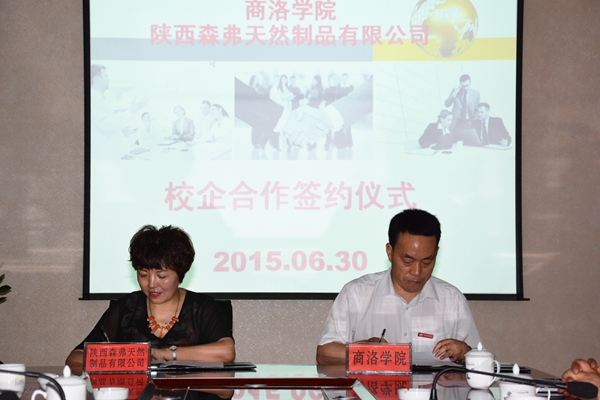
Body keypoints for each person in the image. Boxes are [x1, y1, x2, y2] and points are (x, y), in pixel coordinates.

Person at [316, 209, 481, 365]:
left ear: (436, 254)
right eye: (408, 261)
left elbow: (480, 357)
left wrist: (466, 353)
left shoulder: (452, 299)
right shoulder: (356, 294)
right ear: (390, 252)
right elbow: (324, 354)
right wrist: (364, 350)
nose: (417, 272)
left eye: (427, 262)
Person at [65, 225, 235, 375]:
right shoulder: (126, 307)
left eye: (162, 276)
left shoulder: (201, 307)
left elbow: (226, 352)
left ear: (181, 273)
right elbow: (74, 359)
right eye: (143, 275)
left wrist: (165, 354)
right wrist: (125, 358)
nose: (151, 284)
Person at [90, 64, 148, 159]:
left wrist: (120, 130)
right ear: (96, 79)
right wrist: (131, 110)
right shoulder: (93, 99)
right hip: (105, 156)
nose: (109, 79)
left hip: (111, 153)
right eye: (106, 76)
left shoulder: (101, 99)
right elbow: (107, 124)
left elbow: (106, 124)